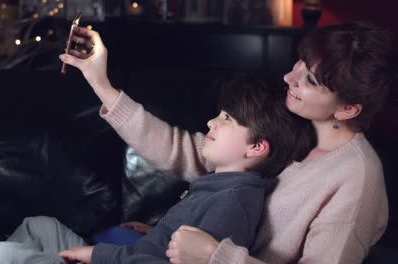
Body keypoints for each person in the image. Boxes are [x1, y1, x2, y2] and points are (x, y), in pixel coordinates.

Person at [58, 21, 395, 263]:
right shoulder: (298, 122)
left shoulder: (357, 179)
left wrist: (213, 255)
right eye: (299, 63)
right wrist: (100, 82)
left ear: (348, 108)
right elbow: (185, 152)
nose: (289, 77)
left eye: (308, 79)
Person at [56, 75, 313, 263]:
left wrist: (96, 255)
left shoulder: (232, 204)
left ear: (256, 147)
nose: (211, 123)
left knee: (16, 252)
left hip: (121, 259)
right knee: (39, 226)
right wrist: (162, 231)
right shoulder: (221, 185)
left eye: (227, 119)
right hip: (132, 250)